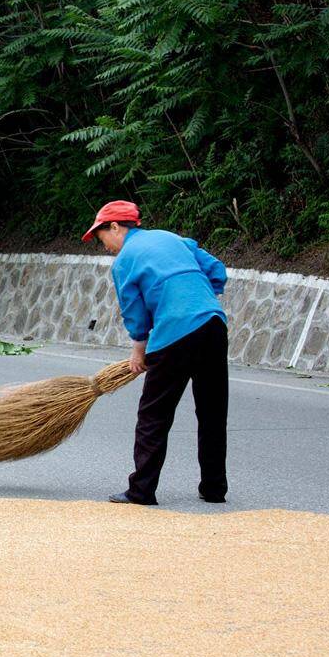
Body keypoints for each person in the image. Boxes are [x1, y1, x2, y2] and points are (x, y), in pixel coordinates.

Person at [82, 200, 228, 506]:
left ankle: (141, 490)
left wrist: (139, 351)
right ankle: (214, 488)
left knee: (154, 415)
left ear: (115, 227)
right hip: (213, 325)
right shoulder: (172, 239)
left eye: (101, 238)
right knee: (212, 411)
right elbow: (216, 270)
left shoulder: (125, 261)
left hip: (175, 333)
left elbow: (135, 313)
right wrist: (199, 298)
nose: (103, 245)